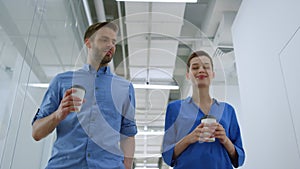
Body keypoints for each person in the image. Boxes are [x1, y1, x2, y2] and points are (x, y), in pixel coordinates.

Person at [32, 22, 137, 169]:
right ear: (88, 43)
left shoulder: (125, 88)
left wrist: (127, 167)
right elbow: (36, 132)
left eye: (113, 42)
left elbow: (128, 134)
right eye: (104, 40)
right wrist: (58, 115)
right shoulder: (61, 81)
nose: (110, 46)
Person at [162, 50, 245, 169]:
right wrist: (190, 138)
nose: (201, 70)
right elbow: (167, 155)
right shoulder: (175, 108)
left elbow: (239, 159)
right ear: (188, 75)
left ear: (213, 74)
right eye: (195, 67)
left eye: (206, 67)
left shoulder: (228, 110)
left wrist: (225, 139)